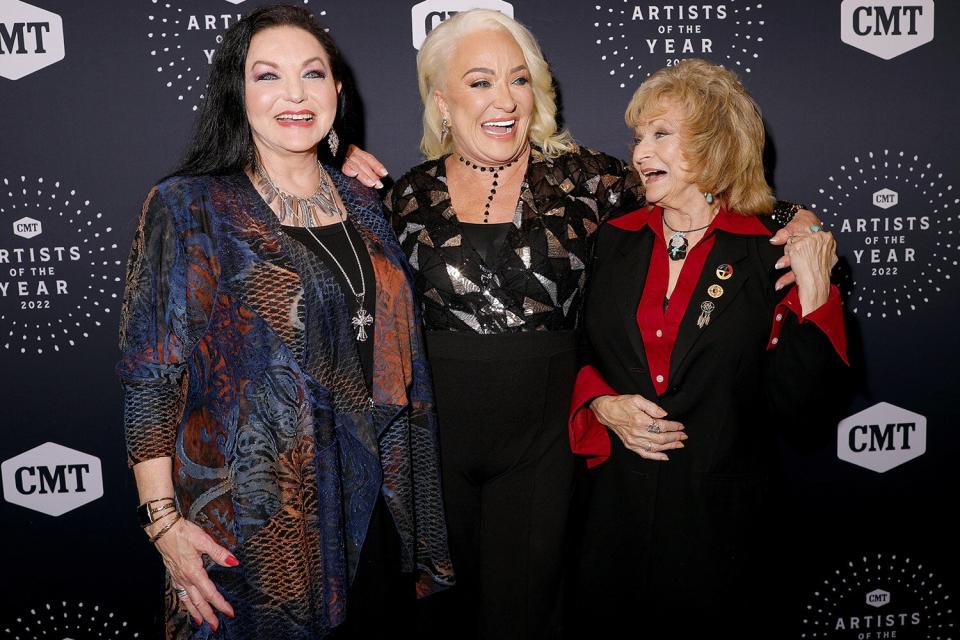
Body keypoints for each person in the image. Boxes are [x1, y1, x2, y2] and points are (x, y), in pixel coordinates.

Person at [348, 10, 815, 639]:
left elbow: (702, 184)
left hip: (542, 446)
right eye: (481, 82)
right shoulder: (402, 196)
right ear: (442, 99)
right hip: (434, 441)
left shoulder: (587, 180)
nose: (505, 100)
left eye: (519, 80)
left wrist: (800, 218)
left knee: (529, 614)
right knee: (439, 617)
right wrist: (335, 159)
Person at [116, 6, 452, 639]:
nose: (295, 95)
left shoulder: (363, 202)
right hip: (256, 520)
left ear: (337, 92)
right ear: (237, 96)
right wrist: (163, 522)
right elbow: (150, 377)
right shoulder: (191, 207)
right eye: (268, 76)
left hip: (375, 502)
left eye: (313, 74)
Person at [567, 59, 848, 637]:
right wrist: (601, 405)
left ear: (716, 145)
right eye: (639, 136)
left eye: (660, 134)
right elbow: (575, 351)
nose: (640, 151)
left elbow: (805, 410)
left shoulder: (771, 251)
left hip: (721, 528)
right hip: (610, 517)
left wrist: (816, 286)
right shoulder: (612, 241)